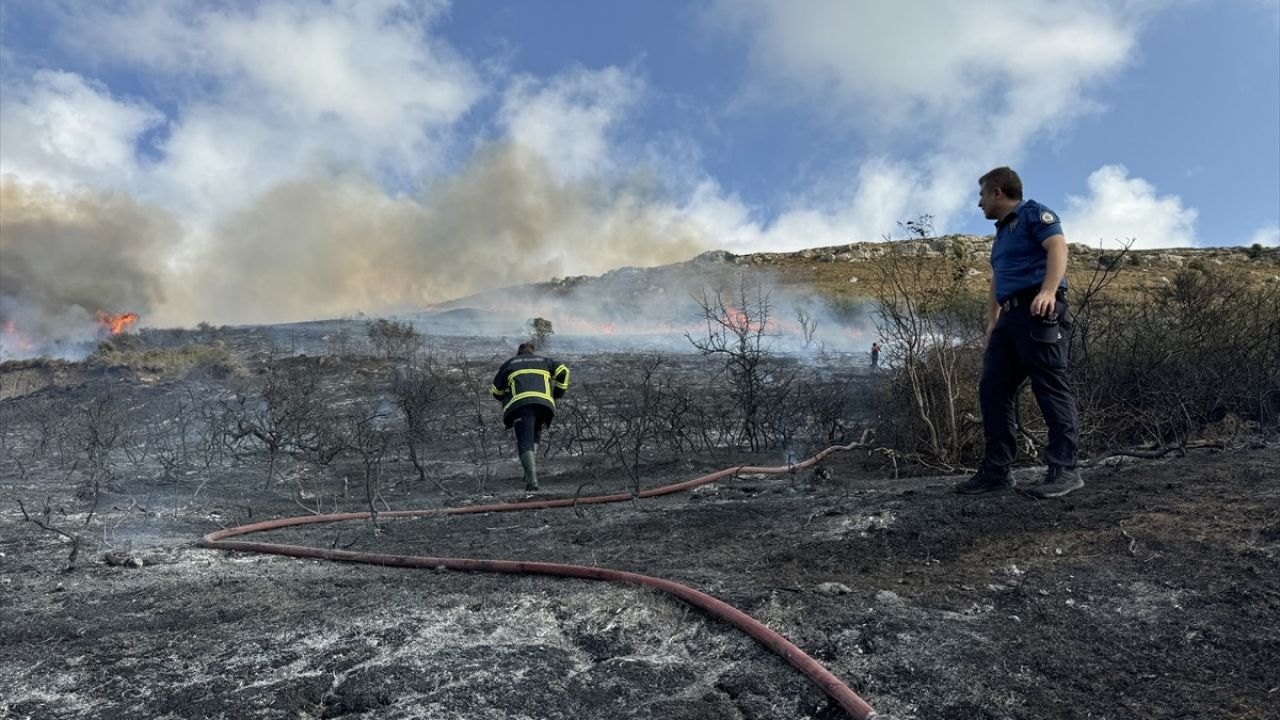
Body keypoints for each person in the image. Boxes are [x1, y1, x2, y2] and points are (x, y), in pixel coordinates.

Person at [955, 167, 1083, 498]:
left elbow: (1057, 247)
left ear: (998, 192)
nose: (979, 202)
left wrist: (1048, 291)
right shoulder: (1001, 235)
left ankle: (1065, 470)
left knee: (1049, 384)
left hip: (1038, 311)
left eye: (982, 194)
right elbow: (997, 280)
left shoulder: (1033, 213)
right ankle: (997, 472)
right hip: (1009, 320)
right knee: (992, 389)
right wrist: (991, 321)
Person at [490, 342, 570, 491]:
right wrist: (558, 394)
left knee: (525, 441)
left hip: (521, 406)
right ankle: (528, 474)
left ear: (518, 353)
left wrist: (507, 395)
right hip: (544, 406)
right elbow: (564, 371)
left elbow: (496, 391)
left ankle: (532, 482)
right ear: (533, 352)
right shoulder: (545, 361)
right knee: (534, 436)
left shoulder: (509, 364)